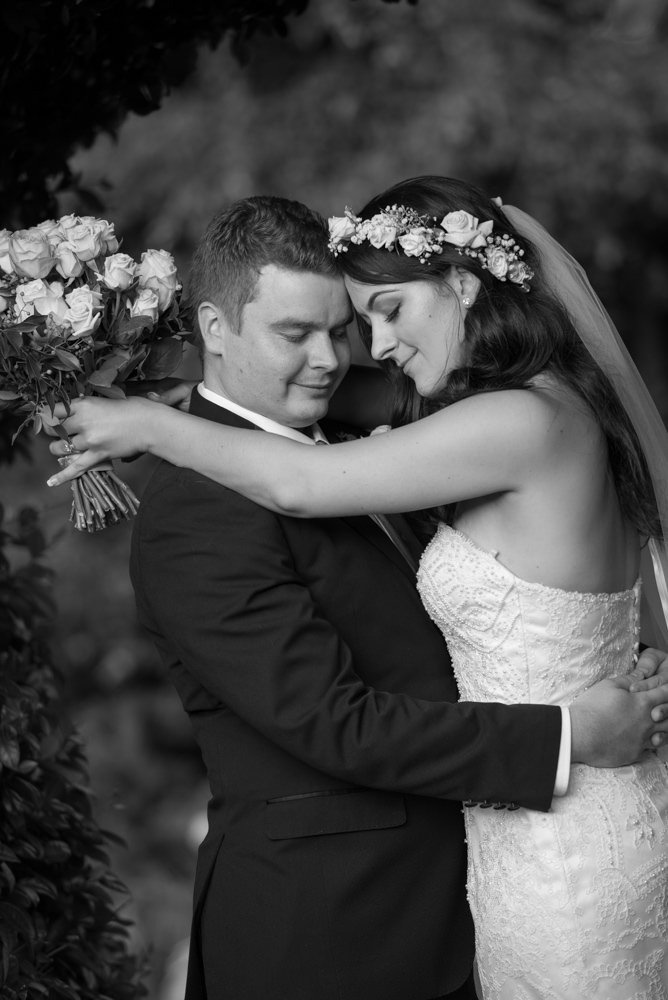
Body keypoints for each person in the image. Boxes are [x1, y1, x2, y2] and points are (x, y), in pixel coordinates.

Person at [47, 192, 668, 1000]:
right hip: (326, 936)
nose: (336, 357)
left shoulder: (386, 443)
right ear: (212, 331)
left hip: (476, 895)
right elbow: (331, 722)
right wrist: (564, 736)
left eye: (338, 328)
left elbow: (314, 468)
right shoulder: (196, 512)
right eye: (293, 334)